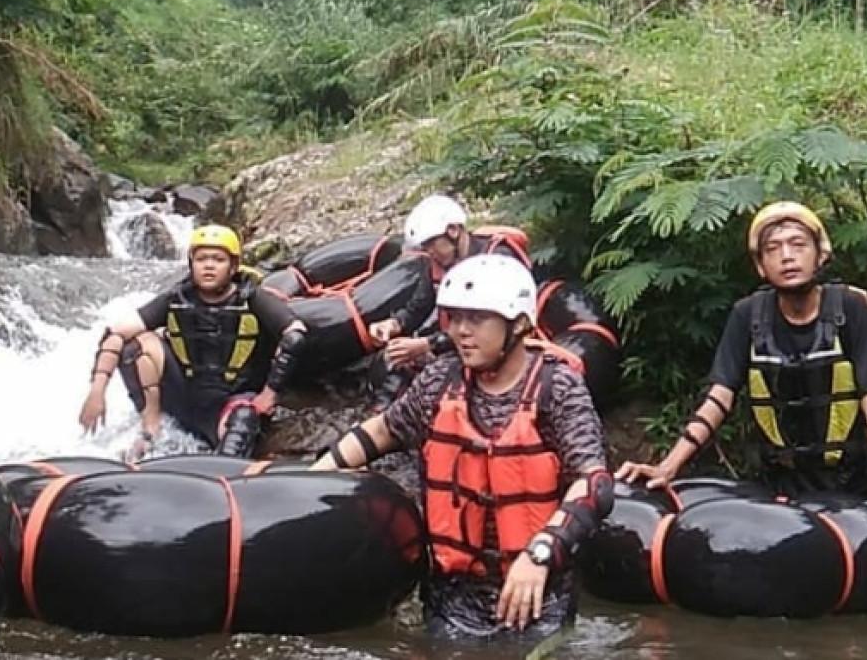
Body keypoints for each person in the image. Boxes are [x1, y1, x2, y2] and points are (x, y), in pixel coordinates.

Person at [312, 254, 611, 641]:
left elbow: (595, 484)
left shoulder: (557, 388)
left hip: (537, 597)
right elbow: (383, 431)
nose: (461, 331)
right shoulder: (439, 380)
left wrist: (540, 553)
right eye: (455, 318)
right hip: (452, 599)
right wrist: (314, 478)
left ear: (519, 323)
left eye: (477, 319)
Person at [617, 201, 867, 513]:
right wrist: (667, 467)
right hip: (779, 486)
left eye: (798, 244)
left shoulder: (851, 308)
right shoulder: (747, 315)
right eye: (773, 248)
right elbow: (719, 397)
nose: (786, 256)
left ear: (820, 255)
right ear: (760, 265)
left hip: (851, 483)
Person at [80, 224, 308, 462]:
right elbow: (115, 333)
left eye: (218, 259)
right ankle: (151, 429)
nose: (208, 265)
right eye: (201, 259)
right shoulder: (175, 299)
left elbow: (295, 336)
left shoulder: (254, 299)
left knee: (243, 419)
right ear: (191, 264)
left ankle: (222, 468)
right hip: (185, 396)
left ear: (233, 266)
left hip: (231, 402)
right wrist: (97, 392)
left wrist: (269, 395)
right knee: (134, 347)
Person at [368, 194, 532, 409]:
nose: (430, 252)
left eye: (432, 244)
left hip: (500, 345)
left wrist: (427, 344)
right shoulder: (437, 264)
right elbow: (418, 307)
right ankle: (384, 414)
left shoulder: (498, 259)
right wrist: (394, 324)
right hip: (456, 341)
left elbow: (492, 326)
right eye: (425, 247)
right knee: (391, 360)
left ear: (453, 231)